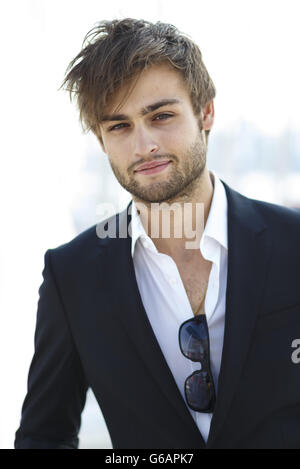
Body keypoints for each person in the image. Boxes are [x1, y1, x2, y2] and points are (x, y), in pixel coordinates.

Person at [15, 18, 300, 449]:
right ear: (101, 139)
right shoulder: (70, 274)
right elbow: (44, 435)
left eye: (161, 115)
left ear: (206, 112)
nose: (143, 145)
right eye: (119, 126)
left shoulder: (292, 242)